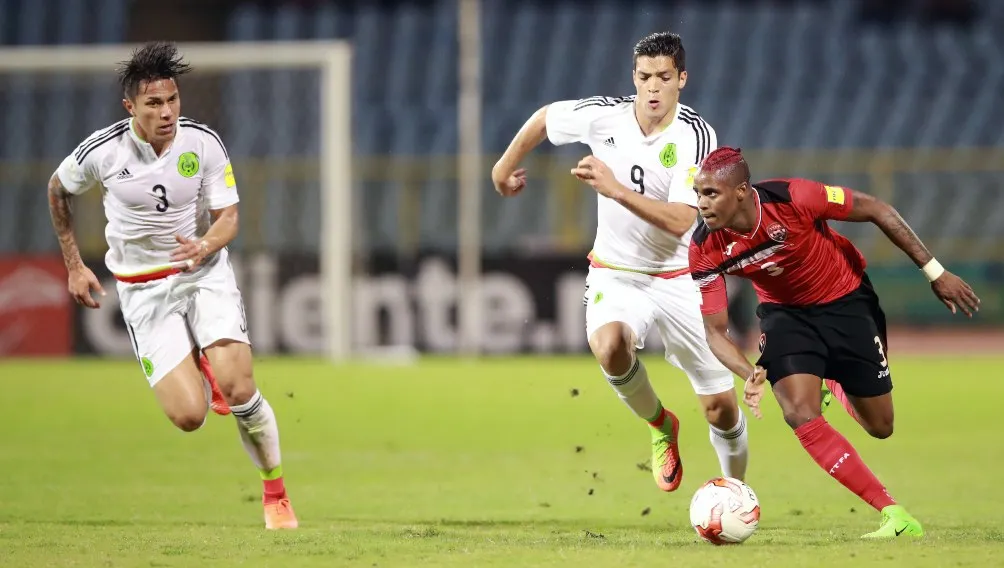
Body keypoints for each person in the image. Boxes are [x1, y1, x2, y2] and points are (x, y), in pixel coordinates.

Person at [46, 42, 298, 530]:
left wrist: (204, 245)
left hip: (201, 274)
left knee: (240, 388)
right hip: (142, 290)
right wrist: (74, 265)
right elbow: (57, 189)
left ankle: (277, 494)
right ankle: (202, 363)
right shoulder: (103, 152)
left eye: (173, 101)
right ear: (130, 108)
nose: (167, 113)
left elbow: (229, 219)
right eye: (154, 105)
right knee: (188, 416)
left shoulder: (202, 142)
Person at [492, 32, 748, 493]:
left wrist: (614, 189)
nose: (653, 88)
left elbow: (679, 221)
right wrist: (502, 167)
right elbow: (545, 118)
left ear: (682, 79)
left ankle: (737, 495)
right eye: (645, 77)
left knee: (721, 410)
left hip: (680, 277)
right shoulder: (604, 115)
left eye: (664, 78)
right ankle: (660, 426)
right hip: (616, 271)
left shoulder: (695, 136)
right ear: (634, 77)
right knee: (610, 345)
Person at [688, 146, 980, 538]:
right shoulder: (704, 247)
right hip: (785, 316)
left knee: (881, 426)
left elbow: (877, 209)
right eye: (698, 194)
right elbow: (714, 331)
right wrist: (750, 372)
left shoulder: (794, 198)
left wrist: (935, 272)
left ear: (741, 190)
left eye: (711, 194)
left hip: (846, 303)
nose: (701, 204)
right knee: (798, 411)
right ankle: (893, 513)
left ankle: (833, 378)